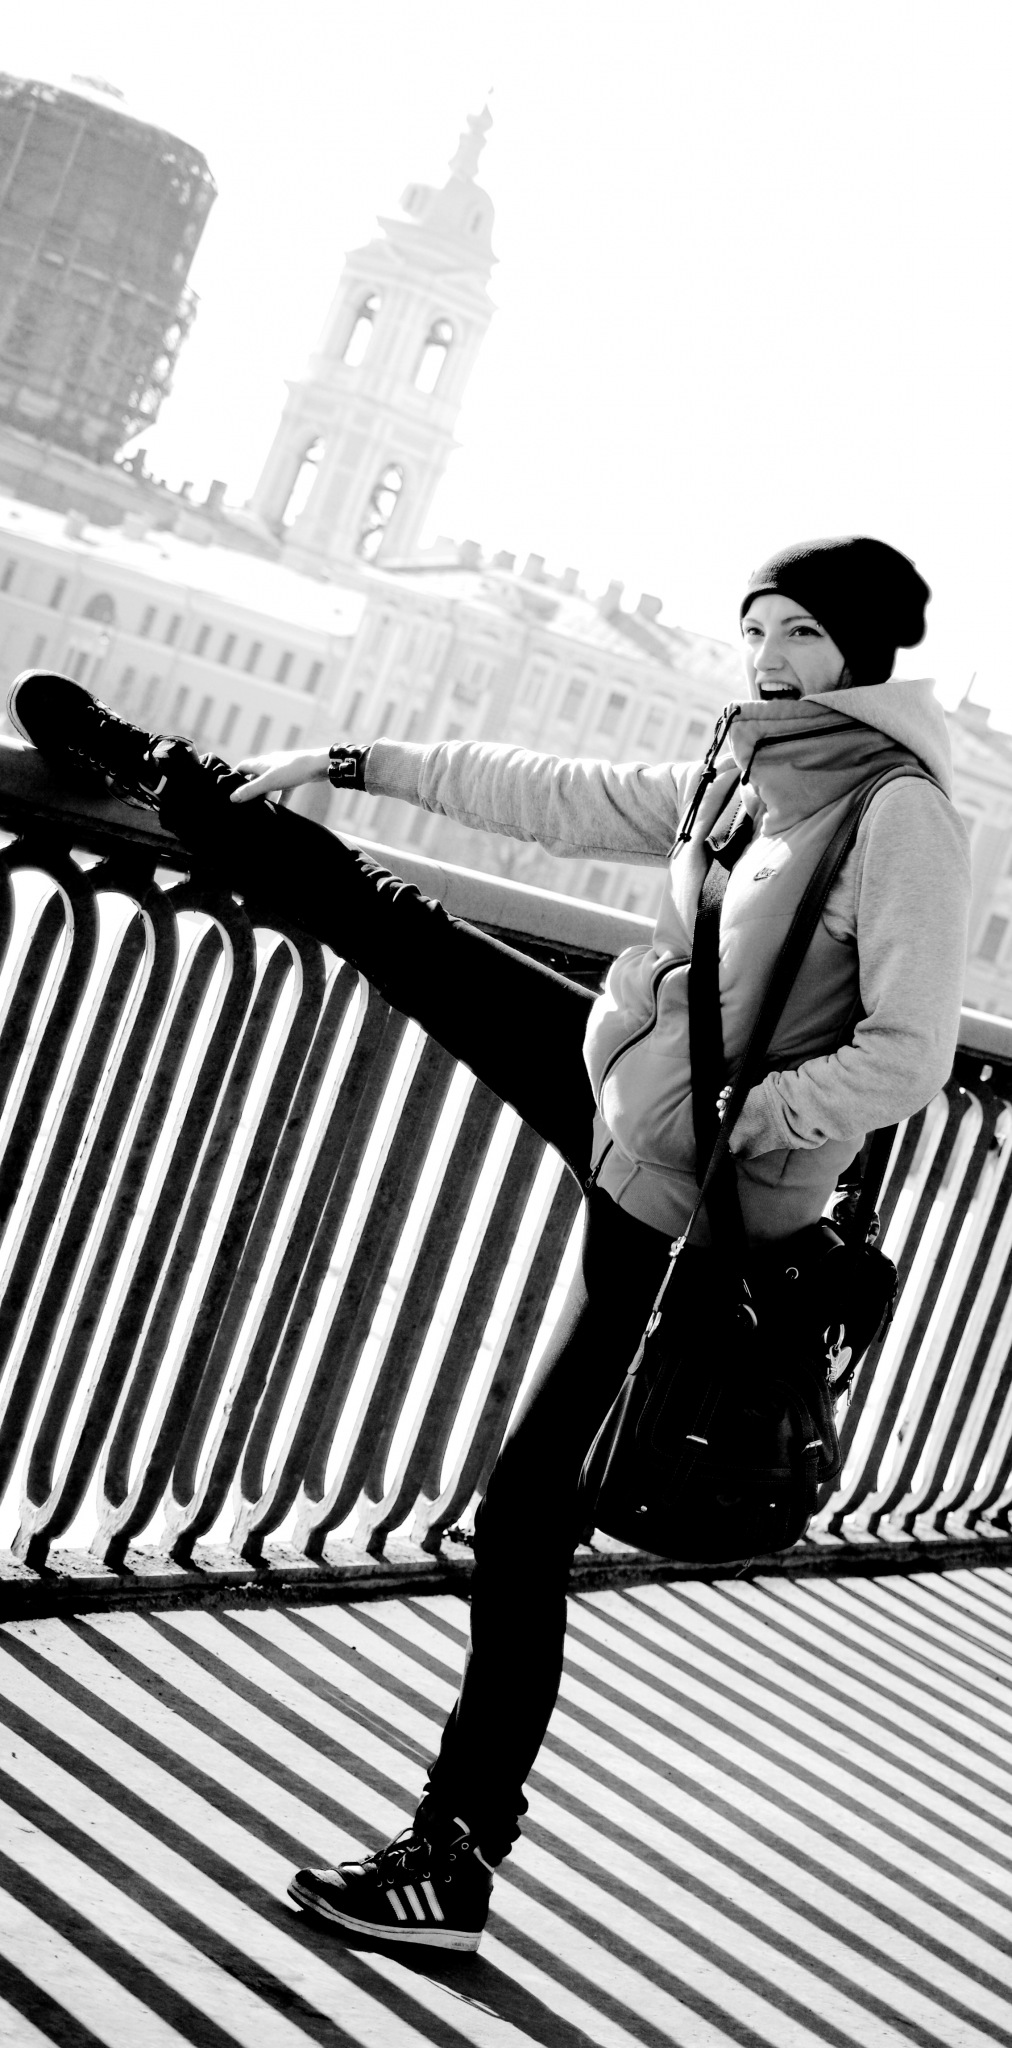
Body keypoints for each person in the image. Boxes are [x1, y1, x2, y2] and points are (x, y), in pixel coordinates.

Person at [6, 535, 971, 1953]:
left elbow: (910, 1054)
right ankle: (167, 771)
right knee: (388, 919)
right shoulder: (749, 767)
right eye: (758, 627)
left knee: (525, 1518)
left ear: (867, 654)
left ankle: (456, 1859)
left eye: (806, 635)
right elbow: (566, 797)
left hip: (693, 1209)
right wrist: (354, 760)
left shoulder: (899, 814)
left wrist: (743, 1119)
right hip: (624, 1102)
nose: (771, 657)